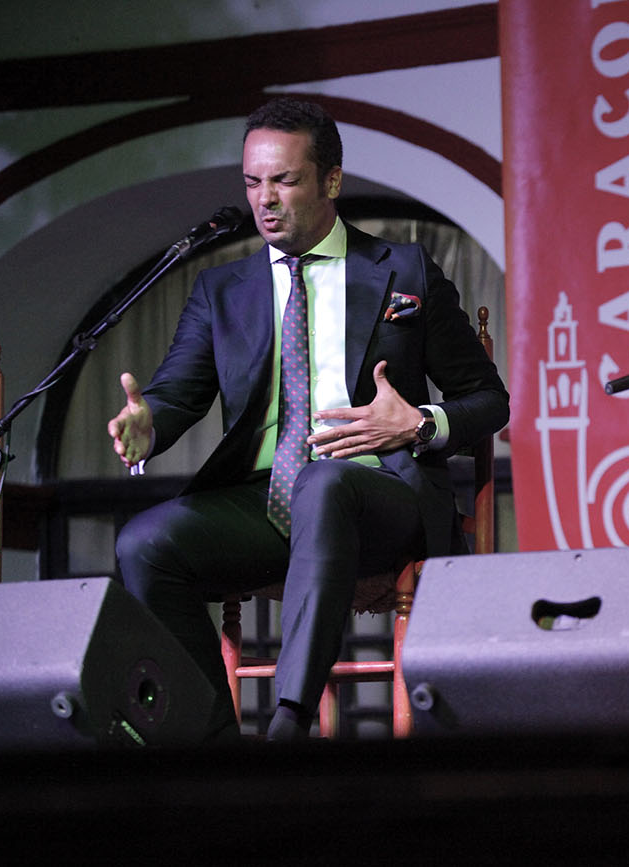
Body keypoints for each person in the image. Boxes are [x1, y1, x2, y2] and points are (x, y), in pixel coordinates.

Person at [108, 97, 509, 741]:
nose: (265, 198)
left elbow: (489, 400)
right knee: (142, 544)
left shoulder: (402, 271)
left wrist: (417, 423)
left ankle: (288, 722)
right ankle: (211, 741)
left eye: (284, 180)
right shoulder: (222, 290)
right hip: (268, 502)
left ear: (330, 181)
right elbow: (175, 396)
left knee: (324, 482)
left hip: (383, 497)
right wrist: (146, 423)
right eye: (252, 182)